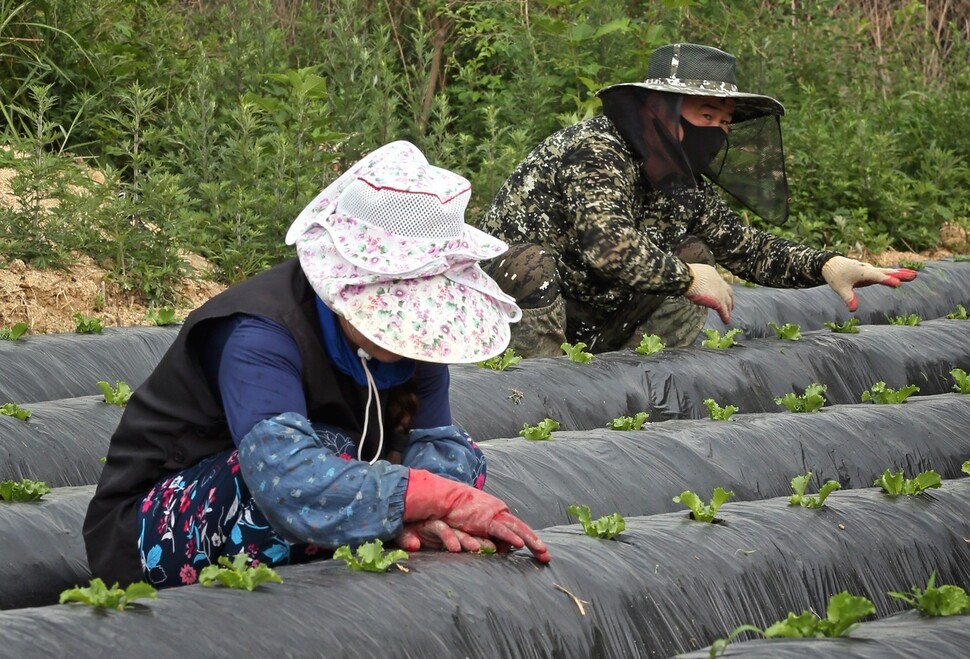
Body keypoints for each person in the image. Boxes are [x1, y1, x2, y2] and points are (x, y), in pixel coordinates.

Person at [84, 141, 551, 589]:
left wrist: (424, 515)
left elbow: (436, 444)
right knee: (318, 457)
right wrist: (440, 499)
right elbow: (284, 476)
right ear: (347, 283)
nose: (410, 330)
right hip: (151, 528)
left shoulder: (421, 346)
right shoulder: (261, 333)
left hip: (311, 509)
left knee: (457, 453)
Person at [480, 42, 918, 357]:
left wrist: (826, 264)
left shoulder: (679, 179)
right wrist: (689, 279)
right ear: (658, 111)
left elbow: (748, 248)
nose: (718, 131)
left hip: (601, 315)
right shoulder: (597, 150)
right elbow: (609, 247)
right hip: (517, 309)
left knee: (696, 252)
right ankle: (536, 389)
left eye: (725, 121)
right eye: (705, 115)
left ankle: (639, 383)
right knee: (529, 263)